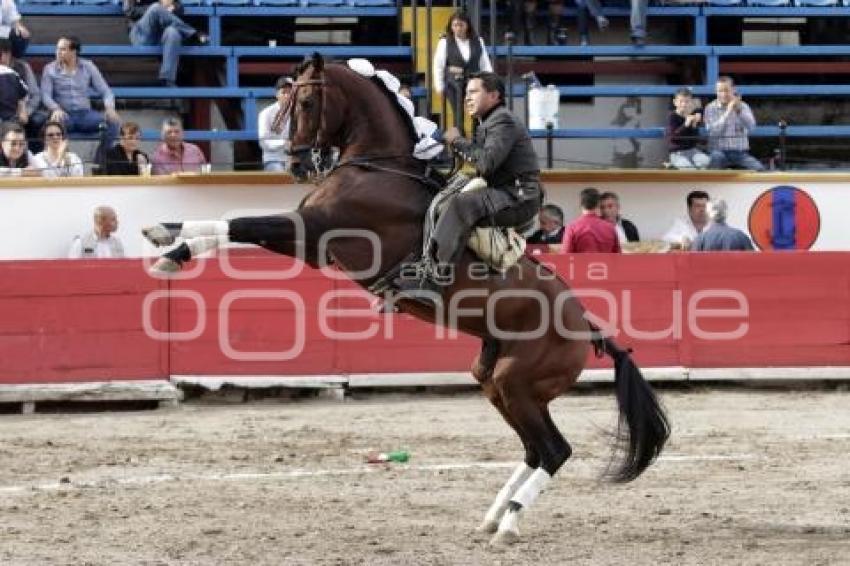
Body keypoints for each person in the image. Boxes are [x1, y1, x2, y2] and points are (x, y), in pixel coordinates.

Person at [398, 72, 542, 299]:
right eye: (466, 93)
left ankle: (434, 280)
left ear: (494, 95)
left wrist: (456, 140)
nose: (466, 98)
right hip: (506, 191)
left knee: (461, 205)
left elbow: (485, 163)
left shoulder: (502, 120)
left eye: (474, 92)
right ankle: (427, 264)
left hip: (518, 196)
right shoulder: (488, 122)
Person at [40, 36, 121, 161]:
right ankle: (63, 161)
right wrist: (55, 108)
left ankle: (100, 159)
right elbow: (45, 95)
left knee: (114, 122)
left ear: (73, 51)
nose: (58, 52)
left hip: (85, 115)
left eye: (62, 49)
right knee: (56, 124)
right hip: (63, 114)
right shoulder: (49, 69)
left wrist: (109, 107)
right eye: (57, 49)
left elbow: (106, 91)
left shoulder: (88, 66)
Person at [124, 0, 209, 87]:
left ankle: (167, 79)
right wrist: (161, 7)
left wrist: (172, 8)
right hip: (141, 35)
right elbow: (129, 11)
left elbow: (179, 7)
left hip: (162, 36)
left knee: (173, 32)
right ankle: (193, 34)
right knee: (155, 8)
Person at [433, 11, 492, 134]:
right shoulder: (445, 42)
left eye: (461, 25)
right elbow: (438, 65)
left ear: (467, 26)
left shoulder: (478, 41)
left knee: (477, 114)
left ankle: (477, 143)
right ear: (451, 27)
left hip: (474, 82)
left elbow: (485, 63)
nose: (458, 28)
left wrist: (490, 82)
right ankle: (460, 146)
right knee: (458, 116)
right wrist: (439, 86)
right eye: (455, 25)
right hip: (453, 84)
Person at [704, 76, 763, 171]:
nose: (723, 94)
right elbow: (713, 132)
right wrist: (728, 112)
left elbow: (751, 127)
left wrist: (738, 110)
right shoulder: (710, 108)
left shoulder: (743, 106)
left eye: (726, 90)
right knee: (716, 159)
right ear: (716, 92)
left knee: (760, 169)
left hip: (740, 153)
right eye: (720, 91)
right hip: (718, 151)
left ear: (733, 90)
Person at [0, 38, 46, 153]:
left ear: (8, 53)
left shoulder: (22, 67)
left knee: (39, 120)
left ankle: (35, 155)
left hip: (23, 112)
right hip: (5, 114)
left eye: (3, 53)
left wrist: (25, 112)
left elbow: (34, 95)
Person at [561, 187, 621, 253]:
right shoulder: (610, 228)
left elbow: (565, 256)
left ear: (581, 205)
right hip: (604, 263)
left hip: (581, 263)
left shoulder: (572, 227)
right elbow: (617, 256)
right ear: (598, 204)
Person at [667, 87, 709, 170]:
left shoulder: (691, 116)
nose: (684, 104)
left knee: (705, 161)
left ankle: (701, 182)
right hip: (677, 153)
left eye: (687, 101)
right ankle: (672, 165)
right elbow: (673, 139)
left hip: (692, 150)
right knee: (689, 168)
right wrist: (686, 124)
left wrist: (694, 125)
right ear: (675, 102)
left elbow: (696, 141)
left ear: (691, 102)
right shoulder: (672, 116)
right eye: (681, 101)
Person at [257, 76, 293, 172]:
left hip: (295, 160)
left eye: (290, 92)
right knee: (281, 173)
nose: (287, 96)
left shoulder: (298, 113)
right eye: (284, 92)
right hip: (273, 159)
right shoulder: (266, 113)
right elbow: (263, 142)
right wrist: (284, 143)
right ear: (277, 94)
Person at [0, 38, 27, 126]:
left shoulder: (17, 70)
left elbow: (23, 95)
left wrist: (22, 110)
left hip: (10, 120)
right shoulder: (11, 73)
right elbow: (23, 93)